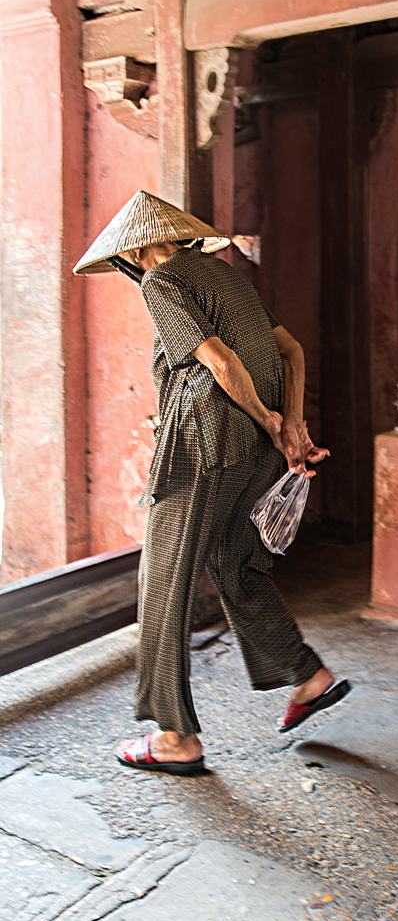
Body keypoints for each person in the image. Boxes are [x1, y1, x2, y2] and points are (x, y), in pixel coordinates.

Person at [73, 190, 350, 775]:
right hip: (254, 446)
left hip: (201, 442)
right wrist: (288, 423)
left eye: (129, 257)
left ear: (140, 247)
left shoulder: (161, 281)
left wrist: (274, 421)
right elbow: (290, 349)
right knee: (235, 564)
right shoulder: (225, 275)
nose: (131, 267)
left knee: (162, 583)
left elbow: (220, 362)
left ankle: (174, 738)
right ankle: (308, 676)